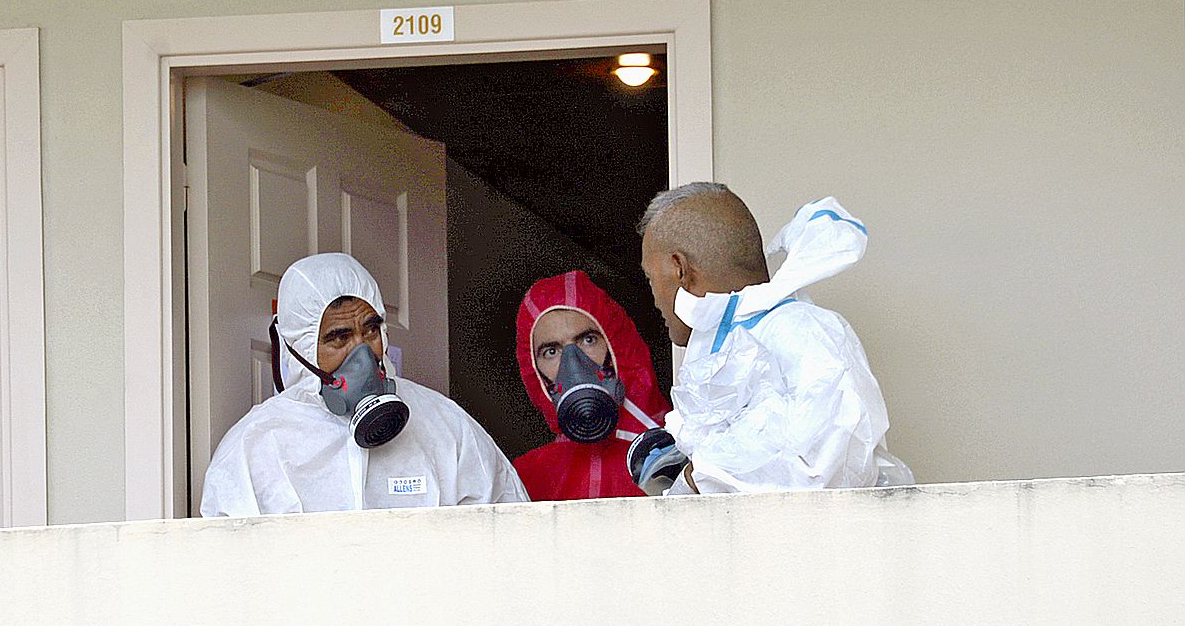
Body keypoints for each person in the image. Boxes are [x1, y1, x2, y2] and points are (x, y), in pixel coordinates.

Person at [200, 251, 528, 516]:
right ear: (300, 349)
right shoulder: (255, 448)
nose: (363, 353)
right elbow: (230, 576)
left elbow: (511, 529)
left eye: (370, 330)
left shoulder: (446, 426)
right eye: (339, 338)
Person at [635, 182, 913, 493]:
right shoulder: (720, 348)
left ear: (679, 269)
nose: (654, 298)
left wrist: (694, 480)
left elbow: (828, 467)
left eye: (650, 278)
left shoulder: (803, 331)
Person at [512, 270, 671, 500]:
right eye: (551, 351)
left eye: (588, 340)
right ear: (534, 370)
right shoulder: (527, 476)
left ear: (616, 343)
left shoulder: (671, 454)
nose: (573, 363)